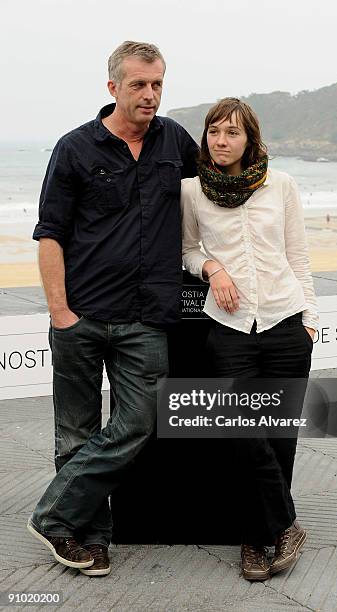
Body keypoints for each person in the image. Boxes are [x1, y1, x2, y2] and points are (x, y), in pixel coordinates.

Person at [27, 40, 198, 576]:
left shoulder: (175, 140)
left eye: (158, 84)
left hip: (146, 319)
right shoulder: (75, 148)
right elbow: (50, 233)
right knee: (75, 432)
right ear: (113, 88)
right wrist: (60, 314)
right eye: (138, 85)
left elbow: (215, 193)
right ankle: (88, 535)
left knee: (138, 423)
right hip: (80, 315)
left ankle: (53, 514)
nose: (150, 95)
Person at [181, 98, 318, 581]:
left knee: (280, 438)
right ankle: (283, 525)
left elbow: (298, 255)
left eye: (232, 133)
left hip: (285, 322)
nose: (221, 141)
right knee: (241, 434)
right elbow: (187, 250)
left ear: (249, 139)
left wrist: (310, 320)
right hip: (230, 328)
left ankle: (256, 540)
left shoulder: (281, 185)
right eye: (214, 132)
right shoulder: (192, 191)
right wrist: (212, 267)